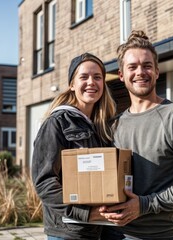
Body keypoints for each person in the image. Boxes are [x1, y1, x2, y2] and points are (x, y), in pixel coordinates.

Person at [99, 30, 173, 239]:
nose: (140, 72)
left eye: (147, 65)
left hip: (162, 235)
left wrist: (144, 205)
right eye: (132, 67)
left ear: (157, 71)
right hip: (114, 234)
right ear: (121, 74)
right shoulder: (113, 125)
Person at [31, 52, 120, 239]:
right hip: (68, 232)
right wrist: (85, 212)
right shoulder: (57, 123)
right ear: (72, 84)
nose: (91, 82)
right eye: (84, 77)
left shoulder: (104, 126)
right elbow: (44, 182)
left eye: (97, 77)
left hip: (99, 229)